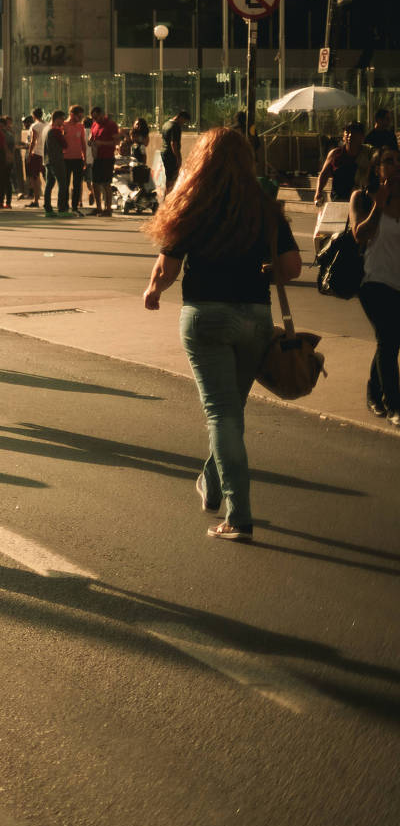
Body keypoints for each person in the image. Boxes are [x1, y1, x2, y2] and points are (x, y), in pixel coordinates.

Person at [141, 128, 302, 541]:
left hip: (206, 316)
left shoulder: (193, 203)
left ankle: (239, 515)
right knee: (233, 411)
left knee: (221, 414)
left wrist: (154, 289)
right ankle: (212, 484)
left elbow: (168, 267)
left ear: (202, 160)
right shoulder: (264, 207)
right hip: (254, 317)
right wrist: (263, 267)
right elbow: (292, 267)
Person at [352, 147, 400, 421]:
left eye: (399, 161)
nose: (395, 166)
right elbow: (360, 234)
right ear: (376, 168)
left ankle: (373, 390)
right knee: (389, 338)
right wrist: (379, 206)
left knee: (390, 341)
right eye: (389, 161)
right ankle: (394, 404)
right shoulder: (362, 197)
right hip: (374, 281)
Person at [88, 106, 120, 218]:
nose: (95, 119)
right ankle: (98, 208)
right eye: (93, 118)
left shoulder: (111, 125)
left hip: (107, 158)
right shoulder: (94, 124)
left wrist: (102, 143)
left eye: (96, 117)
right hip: (97, 157)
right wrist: (90, 141)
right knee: (95, 183)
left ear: (102, 114)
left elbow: (116, 142)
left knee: (106, 183)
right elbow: (92, 136)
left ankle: (108, 208)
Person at [162, 109, 188, 192]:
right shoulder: (175, 126)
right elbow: (173, 144)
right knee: (172, 179)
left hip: (164, 153)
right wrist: (178, 158)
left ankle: (167, 196)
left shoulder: (166, 124)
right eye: (184, 121)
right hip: (171, 155)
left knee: (167, 178)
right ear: (181, 117)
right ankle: (170, 197)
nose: (183, 124)